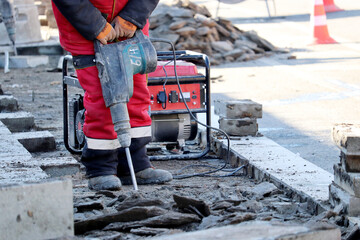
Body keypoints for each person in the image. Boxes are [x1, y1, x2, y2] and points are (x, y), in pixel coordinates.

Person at [51, 0, 173, 190]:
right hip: (84, 31)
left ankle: (135, 162)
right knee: (102, 100)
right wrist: (96, 25)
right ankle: (101, 168)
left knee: (137, 96)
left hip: (130, 30)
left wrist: (132, 17)